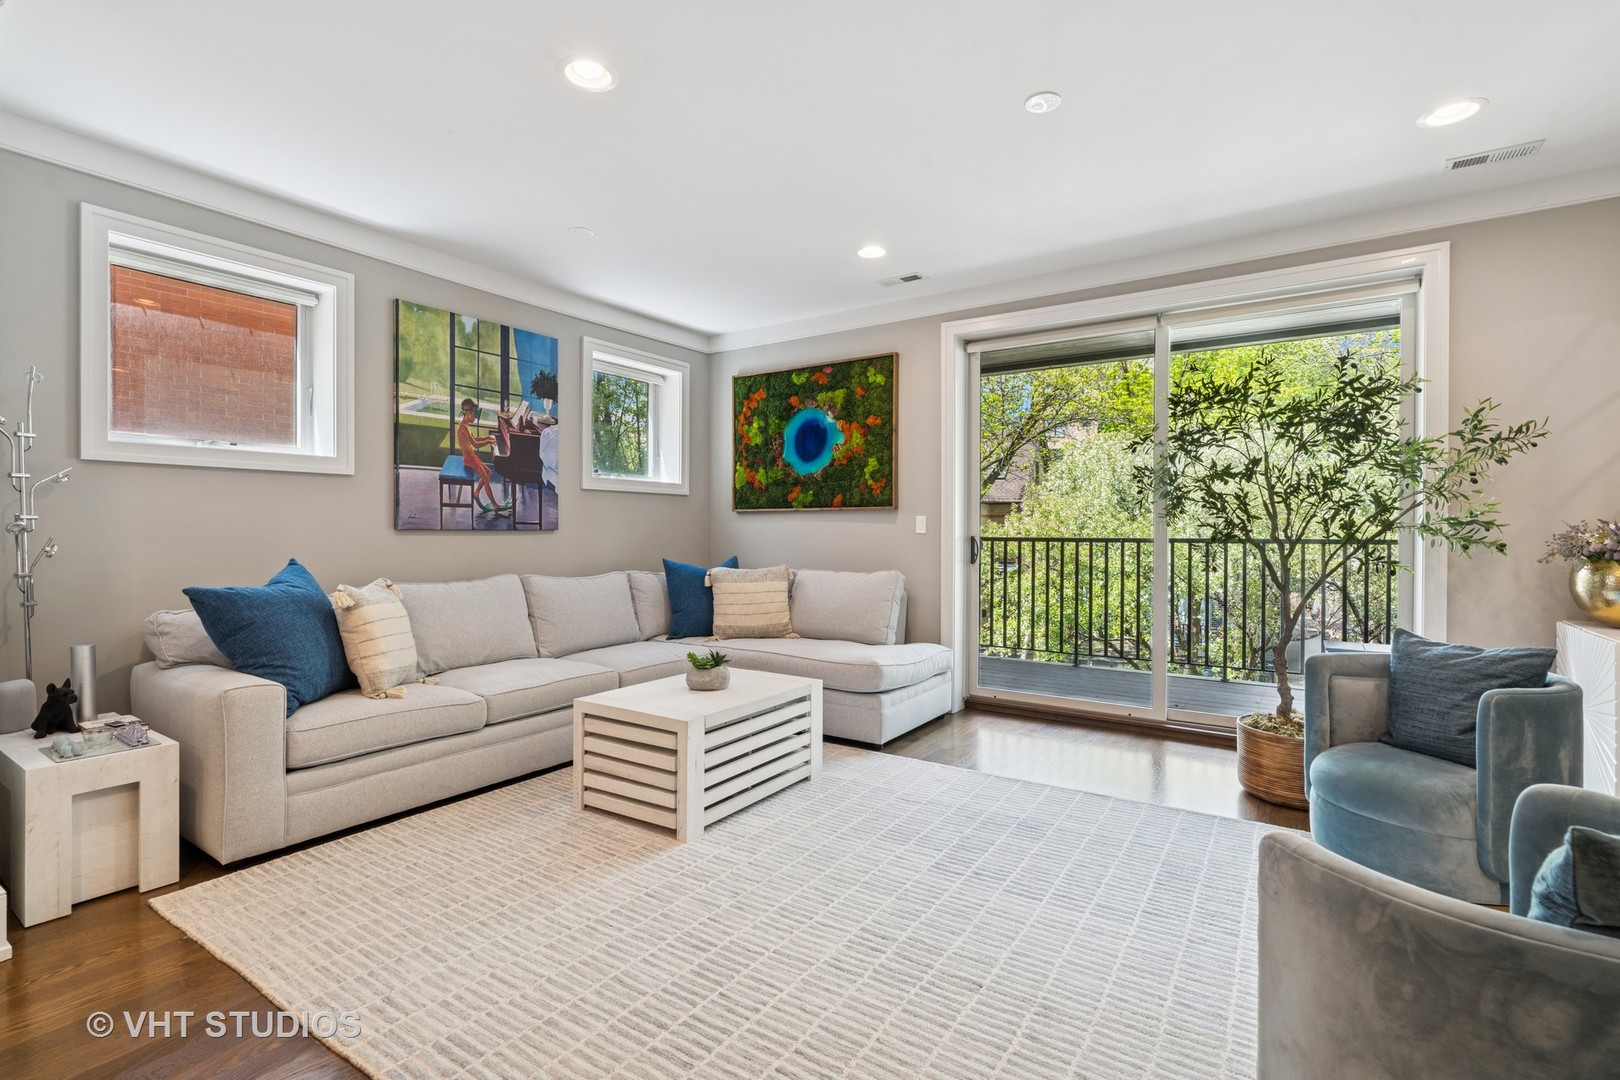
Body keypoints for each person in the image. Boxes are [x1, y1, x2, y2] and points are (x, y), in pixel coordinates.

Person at [456, 398, 509, 513]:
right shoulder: (463, 427)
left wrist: (487, 438)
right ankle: (495, 505)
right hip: (469, 459)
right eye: (475, 414)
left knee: (488, 473)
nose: (476, 417)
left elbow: (474, 439)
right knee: (485, 477)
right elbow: (476, 444)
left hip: (472, 456)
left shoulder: (465, 425)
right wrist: (488, 442)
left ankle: (476, 493)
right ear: (468, 413)